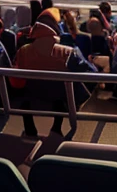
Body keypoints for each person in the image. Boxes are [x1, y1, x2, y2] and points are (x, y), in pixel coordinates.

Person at [13, 8, 97, 138]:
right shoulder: (68, 52)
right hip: (60, 97)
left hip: (33, 94)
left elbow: (17, 74)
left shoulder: (23, 51)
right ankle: (57, 127)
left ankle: (29, 126)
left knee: (26, 97)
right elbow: (91, 73)